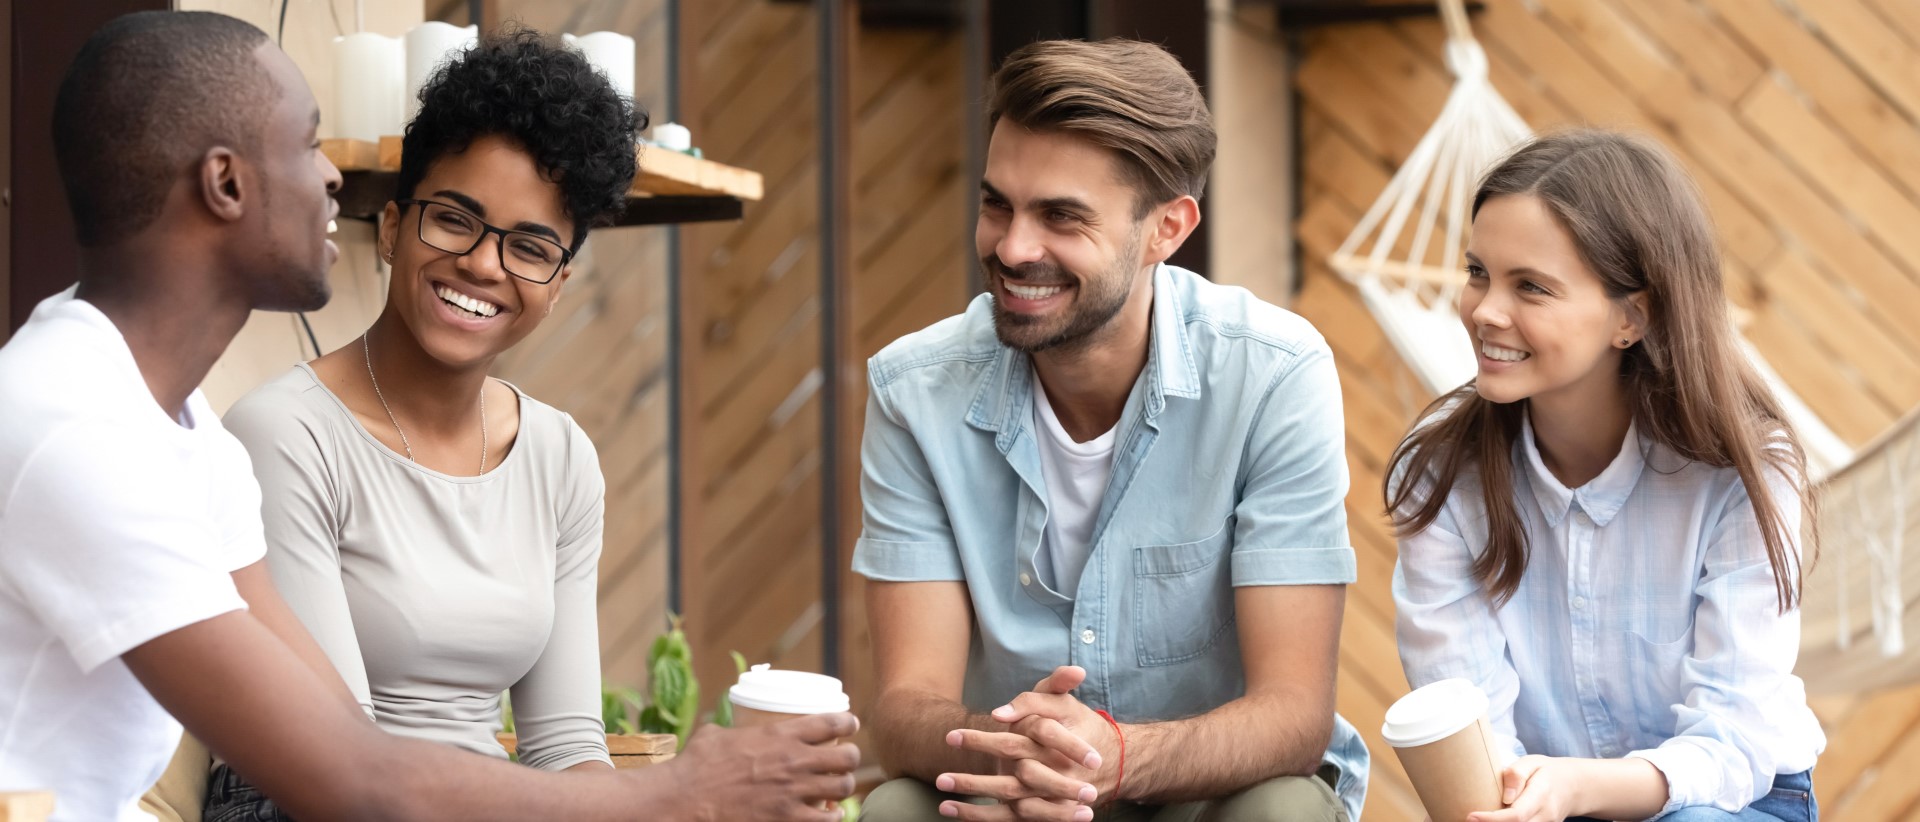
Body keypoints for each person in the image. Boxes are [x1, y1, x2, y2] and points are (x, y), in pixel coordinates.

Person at [0, 11, 856, 821]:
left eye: (529, 245)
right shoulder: (83, 435)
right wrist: (678, 793)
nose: (335, 174)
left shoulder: (181, 436)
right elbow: (349, 780)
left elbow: (341, 734)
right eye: (307, 144)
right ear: (226, 183)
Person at [855, 38, 1367, 822]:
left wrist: (1115, 760)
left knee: (1282, 811)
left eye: (1061, 216)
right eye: (998, 204)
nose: (1014, 248)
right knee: (897, 809)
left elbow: (1295, 715)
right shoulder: (914, 392)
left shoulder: (1273, 376)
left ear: (1167, 228)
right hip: (1014, 793)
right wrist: (1021, 757)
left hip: (1206, 797)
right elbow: (904, 708)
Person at [205, 28, 638, 817]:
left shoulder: (560, 457)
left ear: (558, 282)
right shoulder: (285, 437)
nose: (482, 264)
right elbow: (342, 763)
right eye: (455, 220)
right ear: (397, 227)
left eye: (530, 247)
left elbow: (567, 747)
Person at [1389, 129, 1825, 822]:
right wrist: (1525, 798)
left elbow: (1735, 739)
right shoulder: (1440, 476)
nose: (1484, 311)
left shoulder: (1741, 473)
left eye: (1530, 286)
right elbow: (1473, 730)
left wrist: (1574, 787)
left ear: (1631, 316)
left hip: (1732, 802)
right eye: (1478, 272)